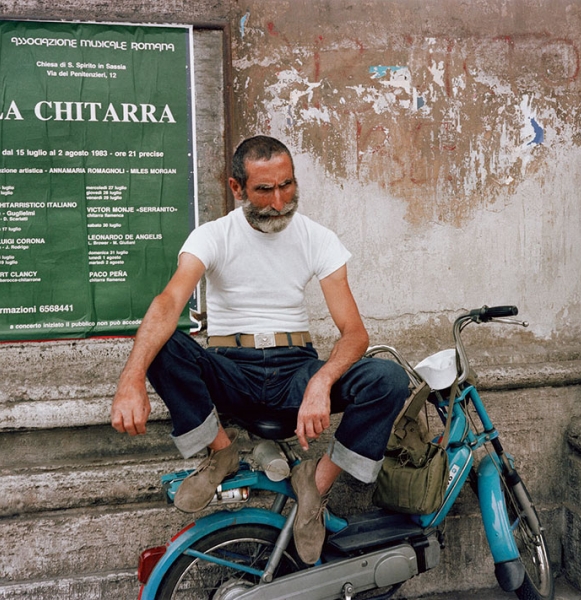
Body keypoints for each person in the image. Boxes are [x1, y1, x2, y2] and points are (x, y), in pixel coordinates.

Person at [110, 135, 409, 564]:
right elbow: (168, 303)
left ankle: (315, 487)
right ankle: (221, 452)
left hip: (296, 371)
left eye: (287, 185)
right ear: (237, 188)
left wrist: (321, 382)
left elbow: (354, 333)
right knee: (161, 343)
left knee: (388, 378)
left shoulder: (318, 238)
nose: (279, 202)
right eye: (265, 190)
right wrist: (131, 378)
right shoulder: (212, 236)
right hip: (233, 371)